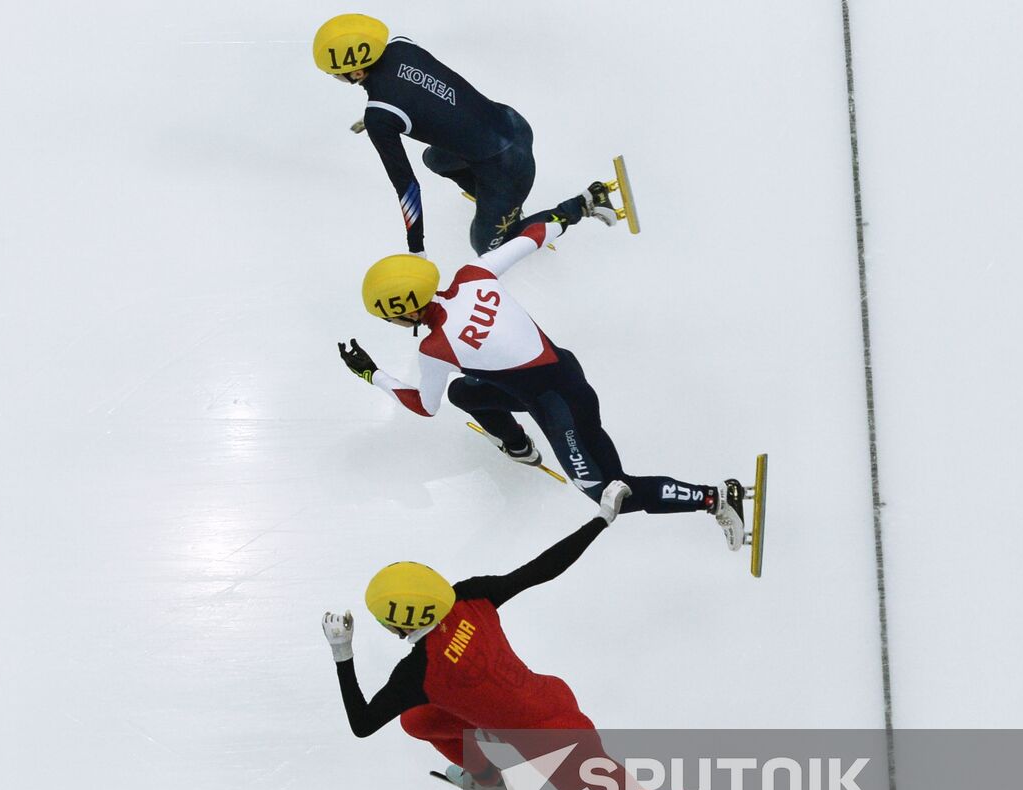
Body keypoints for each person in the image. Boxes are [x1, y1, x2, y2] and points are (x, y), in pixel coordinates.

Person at [320, 481, 774, 790]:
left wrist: (342, 651)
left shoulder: (413, 676)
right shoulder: (469, 597)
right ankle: (490, 781)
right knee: (419, 719)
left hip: (557, 743)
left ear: (401, 621)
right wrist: (601, 518)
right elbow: (542, 569)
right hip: (550, 697)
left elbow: (362, 724)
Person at [336, 212, 748, 546]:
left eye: (387, 315)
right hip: (564, 373)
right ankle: (518, 445)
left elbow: (424, 407)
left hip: (559, 410)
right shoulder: (472, 274)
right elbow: (532, 236)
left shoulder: (435, 348)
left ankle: (714, 497)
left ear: (406, 310)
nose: (390, 322)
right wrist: (579, 207)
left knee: (611, 494)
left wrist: (373, 374)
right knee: (464, 391)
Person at [312, 13, 619, 256]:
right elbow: (416, 89)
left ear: (355, 72)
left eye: (333, 72)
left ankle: (586, 202)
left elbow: (407, 189)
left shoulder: (380, 115)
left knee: (488, 248)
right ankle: (497, 202)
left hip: (508, 168)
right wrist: (380, 117)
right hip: (512, 122)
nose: (333, 77)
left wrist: (417, 248)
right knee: (435, 159)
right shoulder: (401, 46)